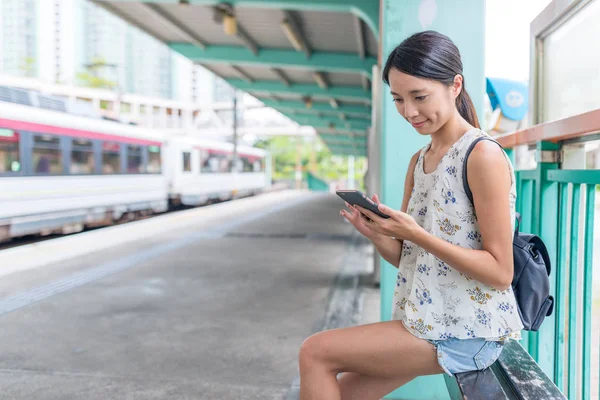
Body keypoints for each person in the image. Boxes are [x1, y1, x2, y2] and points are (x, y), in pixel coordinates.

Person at [297, 30, 523, 400]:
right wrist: (378, 233)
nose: (409, 112)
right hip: (428, 319)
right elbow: (407, 258)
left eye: (419, 97)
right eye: (398, 99)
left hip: (467, 332)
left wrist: (417, 234)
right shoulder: (419, 161)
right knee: (340, 393)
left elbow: (500, 272)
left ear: (455, 85)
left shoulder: (481, 155)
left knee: (315, 351)